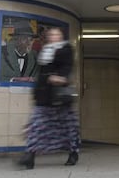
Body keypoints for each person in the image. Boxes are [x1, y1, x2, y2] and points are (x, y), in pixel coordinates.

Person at [18, 27, 80, 169]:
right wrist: (36, 93)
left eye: (56, 34)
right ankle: (29, 156)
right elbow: (41, 73)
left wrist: (61, 77)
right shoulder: (44, 51)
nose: (53, 36)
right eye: (51, 34)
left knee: (68, 127)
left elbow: (68, 66)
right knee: (36, 125)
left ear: (61, 36)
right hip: (44, 95)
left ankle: (73, 152)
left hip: (59, 95)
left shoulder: (66, 49)